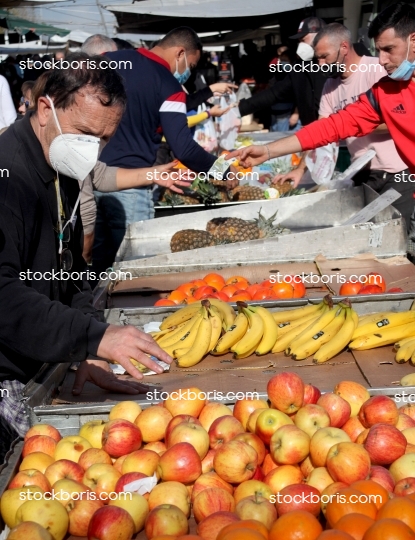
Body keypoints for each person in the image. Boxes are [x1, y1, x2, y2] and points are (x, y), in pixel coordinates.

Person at [0, 53, 172, 448]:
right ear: (45, 109)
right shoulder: (7, 178)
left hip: (41, 359)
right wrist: (93, 336)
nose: (91, 149)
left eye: (105, 138)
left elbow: (72, 269)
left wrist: (85, 350)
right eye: (83, 133)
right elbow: (3, 295)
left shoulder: (63, 167)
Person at [230, 3, 415, 243]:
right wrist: (268, 151)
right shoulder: (385, 91)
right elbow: (332, 126)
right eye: (379, 50)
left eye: (389, 49)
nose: (382, 60)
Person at [93, 28, 238, 274]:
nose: (187, 72)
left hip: (93, 179)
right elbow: (184, 148)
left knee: (99, 266)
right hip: (133, 186)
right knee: (133, 273)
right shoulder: (168, 84)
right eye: (190, 65)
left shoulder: (109, 60)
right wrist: (224, 169)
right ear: (180, 53)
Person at [273, 23, 413, 230]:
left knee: (400, 236)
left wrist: (355, 124)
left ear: (344, 48)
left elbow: (400, 117)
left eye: (324, 57)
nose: (320, 64)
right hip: (363, 175)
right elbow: (323, 129)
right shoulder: (331, 85)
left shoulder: (380, 70)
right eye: (317, 58)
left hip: (397, 173)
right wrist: (300, 169)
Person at [238, 18, 328, 127]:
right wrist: (240, 108)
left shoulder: (340, 65)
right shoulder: (300, 68)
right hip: (312, 134)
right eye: (299, 41)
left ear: (321, 37)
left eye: (303, 40)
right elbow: (274, 93)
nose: (301, 45)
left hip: (340, 136)